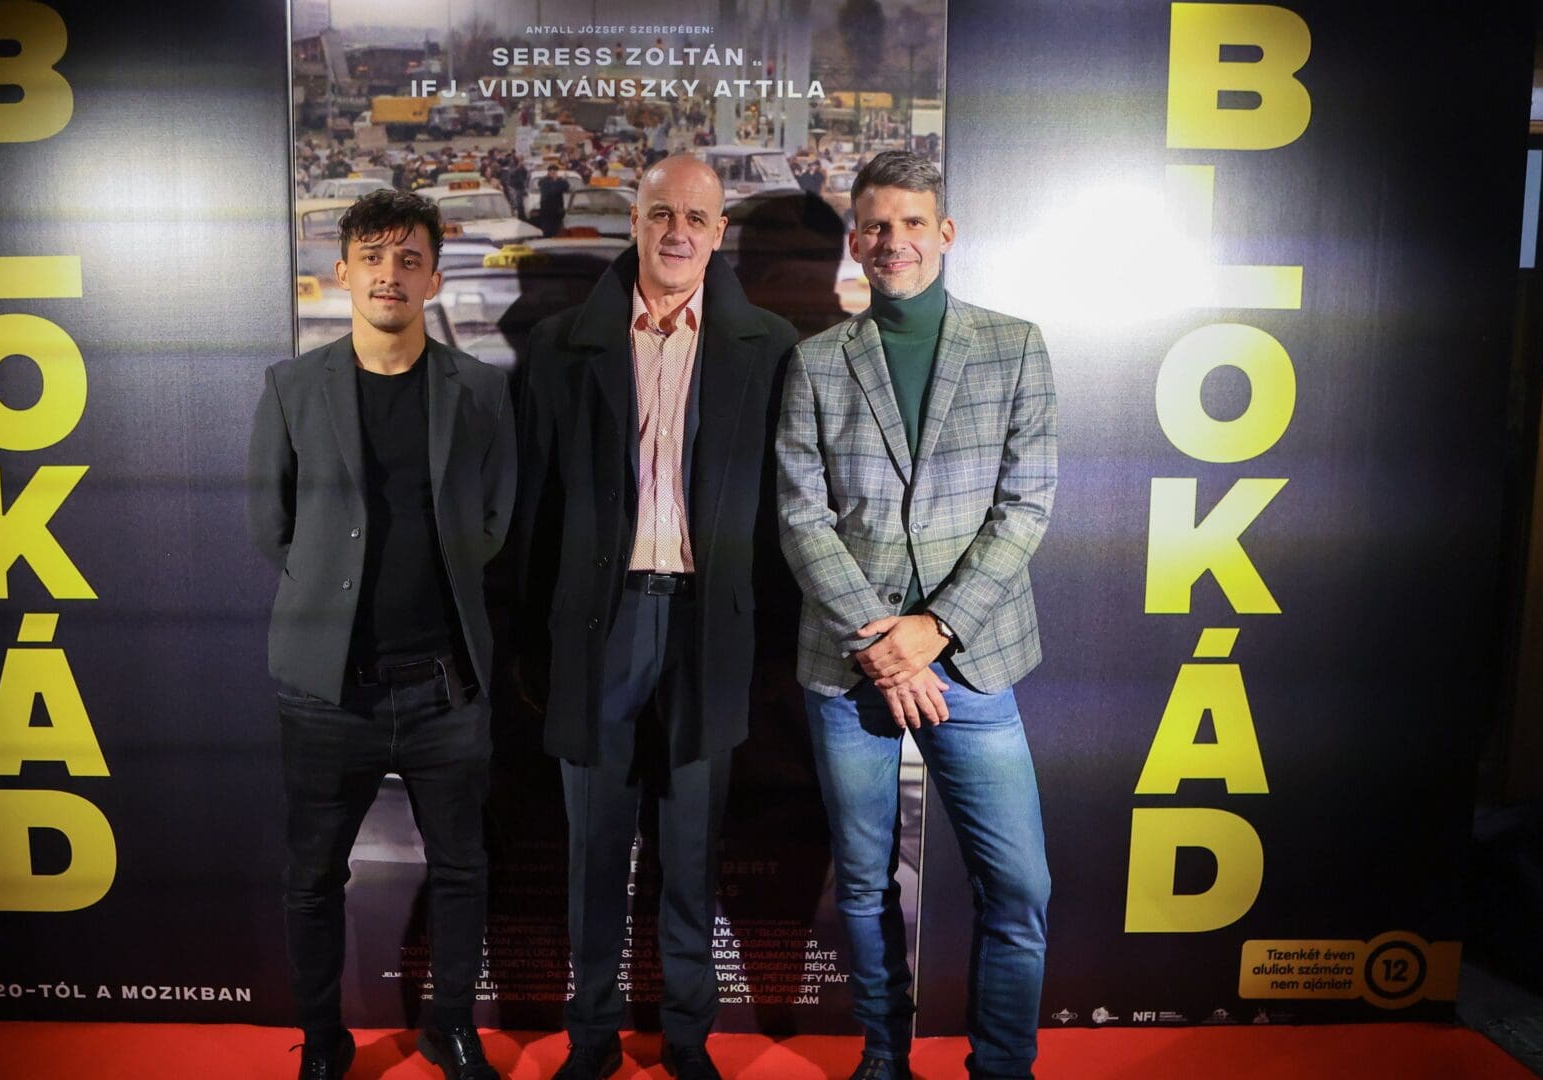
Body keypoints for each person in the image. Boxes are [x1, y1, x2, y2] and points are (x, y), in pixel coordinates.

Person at [511, 154, 798, 1080]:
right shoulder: (559, 346)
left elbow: (787, 512)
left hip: (711, 632)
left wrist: (774, 641)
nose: (678, 231)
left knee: (691, 850)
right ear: (635, 222)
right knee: (593, 854)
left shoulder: (772, 350)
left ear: (719, 235)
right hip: (601, 626)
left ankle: (686, 1040)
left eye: (698, 217)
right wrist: (529, 642)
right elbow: (530, 511)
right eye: (660, 212)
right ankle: (591, 1041)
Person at [774, 150, 1057, 1080]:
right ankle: (884, 1059)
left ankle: (1000, 1068)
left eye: (910, 222)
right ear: (855, 240)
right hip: (849, 666)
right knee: (861, 886)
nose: (892, 242)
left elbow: (1028, 507)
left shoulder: (1015, 345)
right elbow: (799, 516)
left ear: (945, 232)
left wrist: (931, 632)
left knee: (1017, 890)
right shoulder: (816, 362)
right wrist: (883, 645)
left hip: (972, 664)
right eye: (875, 226)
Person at [247, 190, 516, 1080]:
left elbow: (497, 518)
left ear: (432, 276)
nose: (389, 274)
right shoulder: (292, 387)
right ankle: (323, 1037)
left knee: (463, 871)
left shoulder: (481, 390)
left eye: (408, 259)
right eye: (373, 257)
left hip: (447, 688)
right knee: (312, 877)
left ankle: (449, 1027)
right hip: (330, 692)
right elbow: (271, 527)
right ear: (343, 273)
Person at [536, 164, 570, 237]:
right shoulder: (543, 181)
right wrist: (557, 182)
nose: (553, 173)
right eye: (552, 171)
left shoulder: (560, 180)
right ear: (548, 172)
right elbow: (552, 191)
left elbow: (566, 186)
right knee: (547, 228)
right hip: (547, 209)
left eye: (555, 171)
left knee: (557, 227)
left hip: (557, 208)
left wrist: (561, 180)